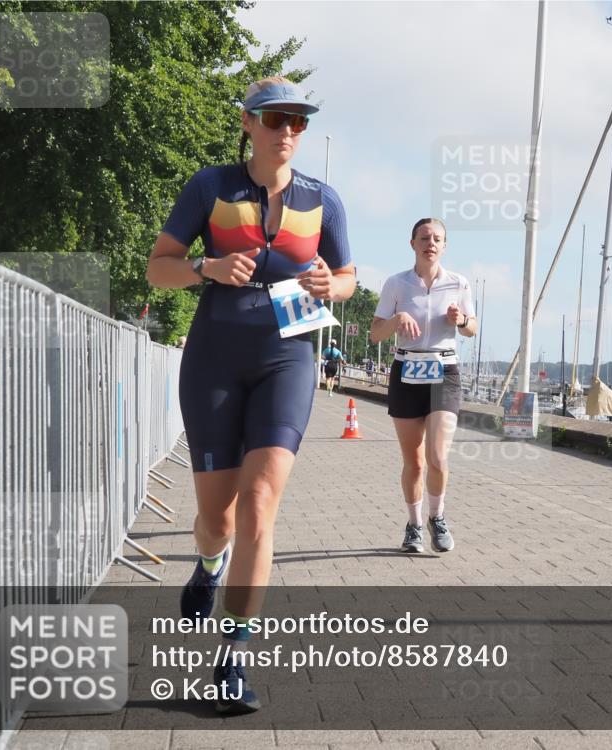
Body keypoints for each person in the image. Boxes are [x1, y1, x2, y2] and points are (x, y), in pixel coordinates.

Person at [145, 76, 355, 714]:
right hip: (213, 358)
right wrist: (205, 268)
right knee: (218, 518)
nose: (286, 131)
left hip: (288, 358)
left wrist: (330, 283)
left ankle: (233, 657)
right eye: (274, 119)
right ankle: (208, 566)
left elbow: (347, 277)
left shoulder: (324, 200)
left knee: (261, 503)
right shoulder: (209, 186)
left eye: (297, 121)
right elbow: (158, 266)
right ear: (248, 123)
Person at [370, 218, 476, 554]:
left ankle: (437, 518)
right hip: (406, 369)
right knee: (414, 461)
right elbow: (375, 333)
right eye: (424, 237)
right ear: (412, 243)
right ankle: (414, 525)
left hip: (443, 369)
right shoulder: (396, 284)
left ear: (445, 245)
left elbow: (471, 327)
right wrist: (396, 320)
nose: (431, 243)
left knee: (437, 458)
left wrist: (460, 321)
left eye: (437, 239)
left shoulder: (458, 283)